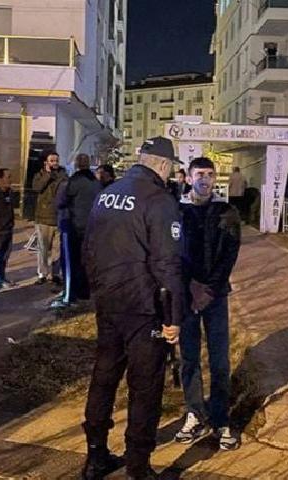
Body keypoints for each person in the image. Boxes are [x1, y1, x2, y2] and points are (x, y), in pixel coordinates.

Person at [81, 137, 184, 480]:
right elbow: (168, 265)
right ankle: (137, 467)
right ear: (164, 165)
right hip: (144, 308)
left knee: (104, 377)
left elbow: (88, 248)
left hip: (109, 303)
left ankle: (95, 456)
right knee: (145, 387)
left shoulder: (107, 193)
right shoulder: (159, 200)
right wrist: (173, 318)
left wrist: (98, 291)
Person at [173, 157, 242, 450]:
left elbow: (229, 255)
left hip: (215, 295)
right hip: (186, 296)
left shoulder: (226, 212)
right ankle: (194, 413)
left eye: (210, 174)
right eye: (199, 174)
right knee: (189, 357)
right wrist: (187, 289)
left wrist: (210, 290)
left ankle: (220, 417)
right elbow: (172, 254)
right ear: (188, 178)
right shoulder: (176, 211)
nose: (205, 179)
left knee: (219, 360)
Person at [51, 154, 101, 309]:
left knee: (70, 262)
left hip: (72, 226)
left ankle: (69, 296)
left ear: (77, 164)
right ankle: (83, 292)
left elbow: (59, 202)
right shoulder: (96, 183)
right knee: (84, 262)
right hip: (90, 228)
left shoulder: (72, 182)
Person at [32, 152, 67, 285]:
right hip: (44, 217)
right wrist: (47, 175)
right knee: (43, 248)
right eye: (52, 161)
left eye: (56, 160)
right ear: (45, 163)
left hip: (58, 217)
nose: (55, 163)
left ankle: (55, 273)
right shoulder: (40, 175)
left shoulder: (63, 175)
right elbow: (37, 188)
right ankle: (42, 273)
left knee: (57, 249)